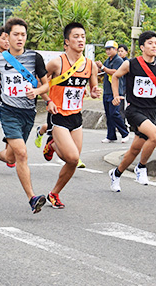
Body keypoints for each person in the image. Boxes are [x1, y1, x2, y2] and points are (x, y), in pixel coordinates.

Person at [0, 18, 50, 213]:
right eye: (16, 34)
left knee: (11, 157)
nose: (20, 38)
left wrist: (36, 92)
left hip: (28, 113)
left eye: (23, 35)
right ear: (7, 37)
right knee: (22, 153)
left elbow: (46, 85)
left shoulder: (35, 58)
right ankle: (32, 198)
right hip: (8, 111)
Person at [35, 22, 100, 209]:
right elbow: (41, 82)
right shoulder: (57, 63)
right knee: (72, 158)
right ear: (66, 42)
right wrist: (48, 100)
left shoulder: (90, 65)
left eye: (83, 37)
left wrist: (94, 91)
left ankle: (54, 193)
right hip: (58, 115)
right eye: (76, 37)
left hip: (76, 117)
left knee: (73, 161)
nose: (80, 40)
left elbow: (93, 86)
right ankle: (53, 143)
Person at [108, 31, 156, 192]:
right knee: (155, 136)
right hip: (134, 110)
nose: (154, 46)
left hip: (151, 110)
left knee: (134, 149)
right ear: (142, 47)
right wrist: (116, 95)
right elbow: (115, 77)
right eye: (150, 43)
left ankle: (116, 174)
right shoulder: (131, 64)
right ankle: (141, 167)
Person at [96, 40, 129, 144]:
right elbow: (104, 72)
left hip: (116, 91)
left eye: (110, 49)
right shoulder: (108, 60)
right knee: (108, 114)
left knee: (114, 113)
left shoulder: (119, 60)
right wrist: (98, 69)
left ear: (115, 49)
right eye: (107, 49)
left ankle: (125, 133)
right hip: (107, 90)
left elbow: (115, 72)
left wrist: (103, 67)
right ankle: (111, 135)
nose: (108, 51)